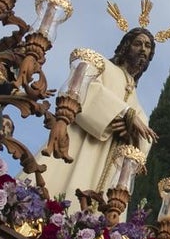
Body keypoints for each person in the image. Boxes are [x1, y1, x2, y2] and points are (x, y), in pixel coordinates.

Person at [42, 27, 159, 199]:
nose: (143, 49)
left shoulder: (136, 99)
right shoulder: (102, 66)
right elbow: (82, 89)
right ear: (126, 47)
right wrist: (124, 113)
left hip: (108, 167)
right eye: (138, 44)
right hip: (79, 147)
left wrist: (131, 132)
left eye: (148, 46)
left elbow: (144, 140)